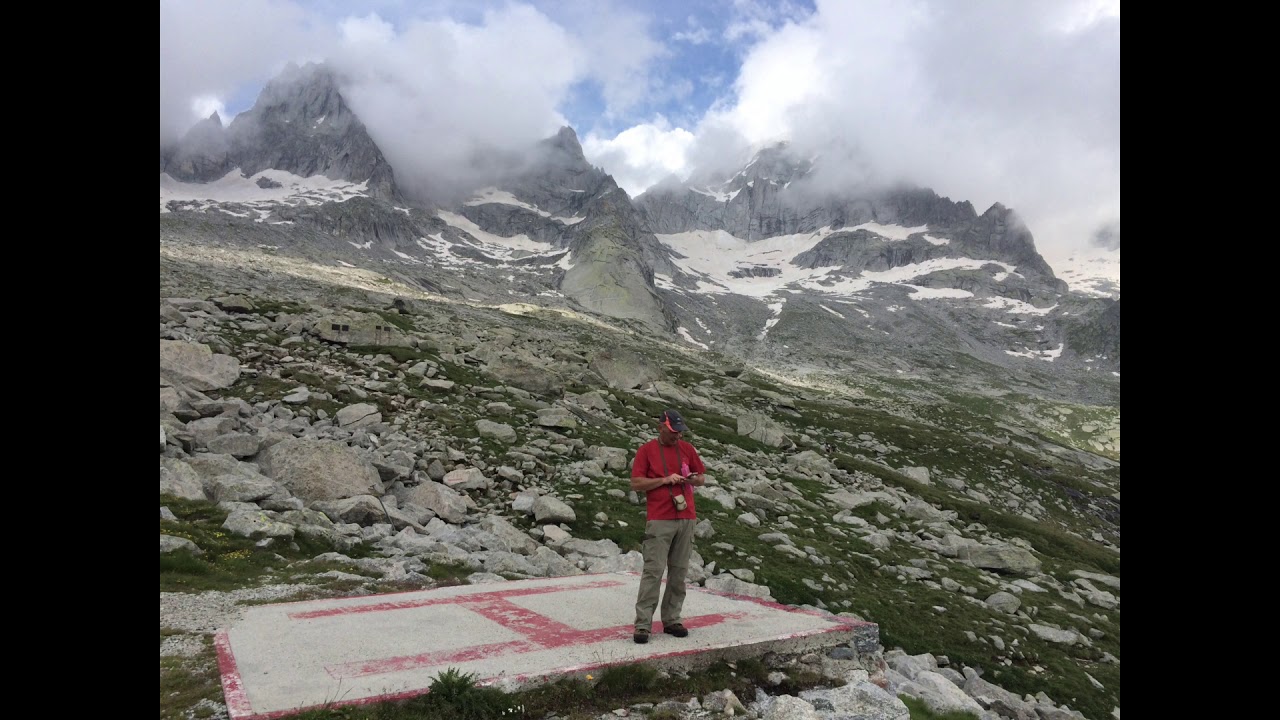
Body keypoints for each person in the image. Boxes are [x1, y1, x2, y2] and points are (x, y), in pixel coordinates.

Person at [629, 408, 706, 644]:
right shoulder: (647, 451)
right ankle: (643, 624)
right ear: (661, 427)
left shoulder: (687, 449)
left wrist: (693, 478)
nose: (677, 436)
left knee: (679, 571)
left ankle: (672, 619)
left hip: (686, 517)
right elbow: (636, 483)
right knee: (653, 570)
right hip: (660, 519)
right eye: (673, 432)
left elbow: (702, 477)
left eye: (680, 432)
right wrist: (664, 480)